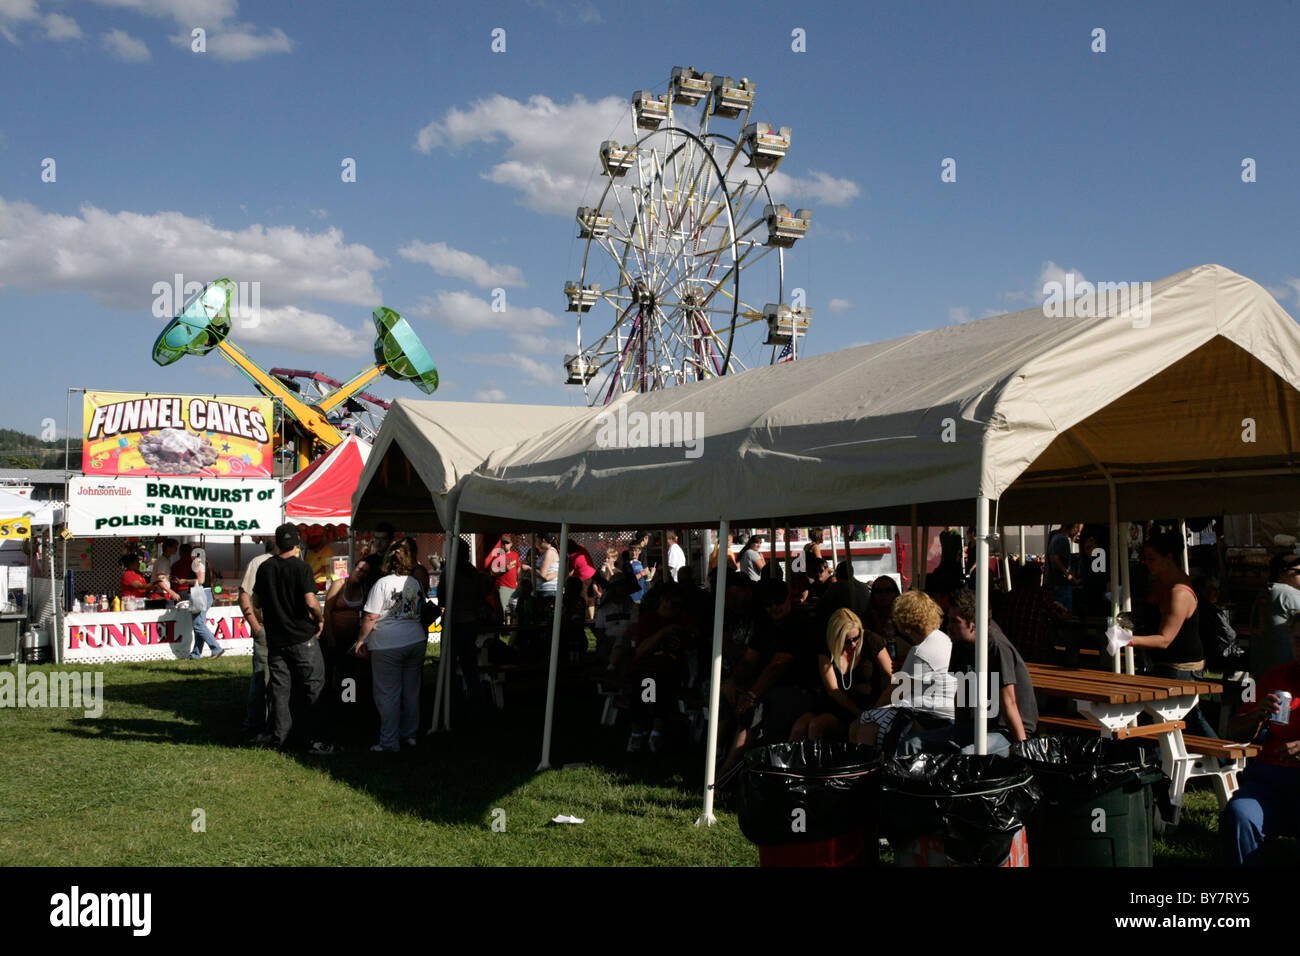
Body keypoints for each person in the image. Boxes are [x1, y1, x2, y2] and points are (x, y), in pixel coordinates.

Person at [900, 587, 1037, 755]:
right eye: (948, 620)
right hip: (977, 725)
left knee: (967, 755)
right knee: (910, 744)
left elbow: (1009, 703)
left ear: (974, 623)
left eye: (955, 621)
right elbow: (962, 694)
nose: (948, 627)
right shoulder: (960, 644)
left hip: (1007, 730)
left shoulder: (995, 646)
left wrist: (1024, 749)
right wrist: (957, 731)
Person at [1220, 613, 1300, 866]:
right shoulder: (1276, 677)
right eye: (1298, 639)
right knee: (1240, 814)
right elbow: (1235, 732)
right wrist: (1257, 715)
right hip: (1270, 781)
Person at [1123, 531, 1216, 739]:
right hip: (1167, 665)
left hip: (1181, 667)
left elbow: (1165, 639)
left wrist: (1127, 641)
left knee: (1188, 718)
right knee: (1174, 717)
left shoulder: (1179, 591)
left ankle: (1224, 760)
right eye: (1145, 558)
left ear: (1169, 558)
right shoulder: (1159, 583)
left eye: (1152, 558)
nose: (1147, 563)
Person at [254, 524, 333, 754]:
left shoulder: (265, 568)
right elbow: (310, 601)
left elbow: (256, 602)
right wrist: (320, 619)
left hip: (277, 639)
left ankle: (282, 740)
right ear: (297, 544)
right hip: (302, 637)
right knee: (314, 687)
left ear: (277, 544)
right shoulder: (302, 568)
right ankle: (317, 739)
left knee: (280, 691)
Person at [850, 590, 955, 748]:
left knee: (863, 726)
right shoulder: (943, 639)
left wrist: (869, 712)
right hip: (943, 711)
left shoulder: (921, 651)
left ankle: (866, 769)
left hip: (927, 714)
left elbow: (895, 691)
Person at [353, 545, 427, 752]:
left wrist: (360, 640)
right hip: (415, 640)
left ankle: (389, 741)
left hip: (387, 643)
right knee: (411, 692)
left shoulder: (382, 584)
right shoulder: (415, 582)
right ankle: (409, 735)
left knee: (387, 694)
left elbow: (370, 616)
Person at [789, 608, 891, 741]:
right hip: (837, 705)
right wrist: (858, 713)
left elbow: (892, 676)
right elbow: (833, 690)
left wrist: (876, 710)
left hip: (867, 704)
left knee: (818, 725)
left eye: (856, 638)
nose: (853, 644)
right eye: (847, 641)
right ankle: (793, 761)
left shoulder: (871, 641)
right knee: (799, 727)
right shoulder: (826, 648)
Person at [323, 555, 380, 741]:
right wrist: (330, 637)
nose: (360, 572)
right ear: (352, 569)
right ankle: (328, 709)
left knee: (349, 677)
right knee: (331, 675)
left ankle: (347, 710)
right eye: (358, 568)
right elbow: (327, 611)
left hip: (352, 640)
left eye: (364, 571)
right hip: (334, 639)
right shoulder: (340, 583)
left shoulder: (365, 589)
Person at [997, 561, 1069, 664]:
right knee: (1064, 657)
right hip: (1036, 654)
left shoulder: (1009, 596)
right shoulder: (1039, 597)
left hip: (1010, 653)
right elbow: (1062, 616)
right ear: (1036, 579)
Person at [239, 537, 275, 742]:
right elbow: (244, 596)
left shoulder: (292, 562)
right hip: (266, 630)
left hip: (284, 631)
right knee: (262, 679)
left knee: (278, 680)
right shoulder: (259, 562)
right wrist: (255, 626)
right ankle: (255, 728)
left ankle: (273, 726)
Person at [1255, 553, 1300, 678]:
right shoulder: (1286, 592)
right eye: (1299, 572)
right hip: (1284, 672)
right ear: (1282, 573)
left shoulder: (1270, 591)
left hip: (1266, 669)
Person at [186, 547, 223, 660]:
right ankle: (195, 654)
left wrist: (184, 581)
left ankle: (216, 648)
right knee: (199, 624)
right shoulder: (205, 563)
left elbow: (200, 581)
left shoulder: (197, 563)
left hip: (200, 594)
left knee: (198, 624)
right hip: (205, 594)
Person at [1045, 522, 1083, 612]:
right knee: (1064, 613)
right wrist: (1069, 576)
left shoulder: (1055, 536)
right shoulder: (1062, 539)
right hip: (1061, 585)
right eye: (1078, 530)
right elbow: (1055, 559)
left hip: (1054, 584)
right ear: (1073, 527)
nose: (1079, 533)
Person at [486, 534, 520, 621]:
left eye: (507, 543)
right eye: (503, 543)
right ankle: (506, 632)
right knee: (506, 611)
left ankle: (512, 631)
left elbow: (518, 567)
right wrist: (505, 569)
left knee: (514, 611)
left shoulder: (515, 555)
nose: (505, 545)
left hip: (514, 587)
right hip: (503, 587)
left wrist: (518, 580)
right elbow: (492, 572)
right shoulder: (499, 556)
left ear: (511, 544)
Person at [149, 538, 181, 604]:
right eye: (174, 547)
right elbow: (159, 579)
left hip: (162, 593)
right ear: (168, 548)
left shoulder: (165, 560)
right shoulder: (163, 561)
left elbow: (161, 576)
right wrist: (171, 592)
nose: (176, 549)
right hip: (160, 594)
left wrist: (170, 578)